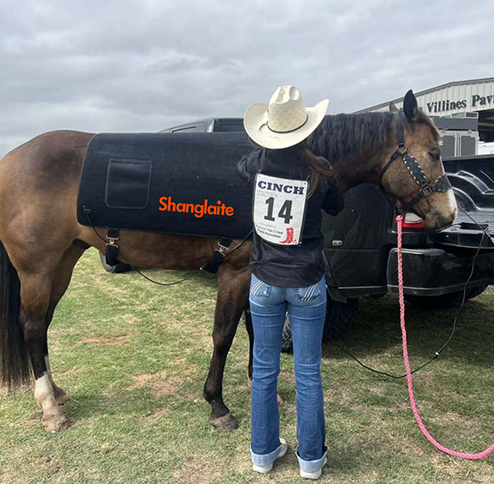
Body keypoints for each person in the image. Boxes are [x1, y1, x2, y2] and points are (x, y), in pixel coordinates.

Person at [236, 85, 345, 480]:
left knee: (264, 370)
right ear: (304, 128)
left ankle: (263, 453)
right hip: (308, 282)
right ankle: (311, 461)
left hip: (264, 280)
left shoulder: (256, 163)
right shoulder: (320, 170)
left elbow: (241, 169)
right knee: (308, 373)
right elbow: (337, 205)